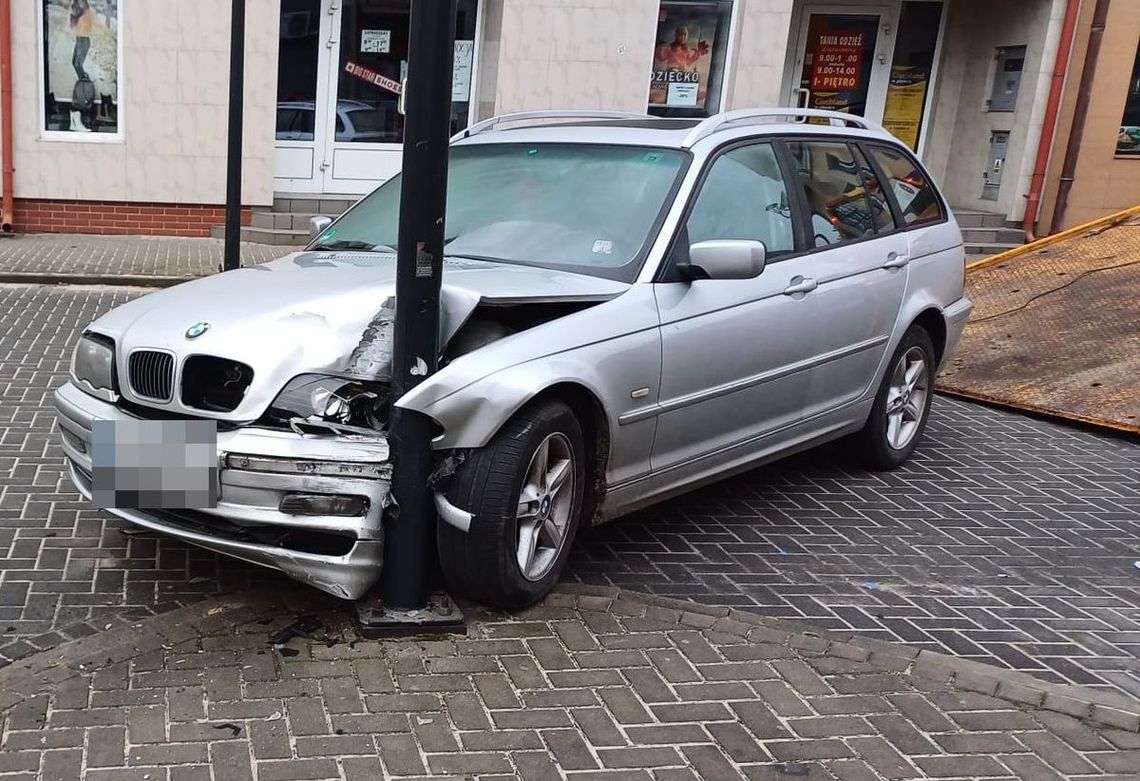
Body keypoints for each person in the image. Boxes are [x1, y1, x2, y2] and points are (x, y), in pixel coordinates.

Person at [70, 0, 95, 81]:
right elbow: (72, 26)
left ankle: (84, 83)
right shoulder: (77, 13)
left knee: (77, 64)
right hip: (80, 40)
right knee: (75, 63)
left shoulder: (86, 12)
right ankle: (83, 80)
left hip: (84, 40)